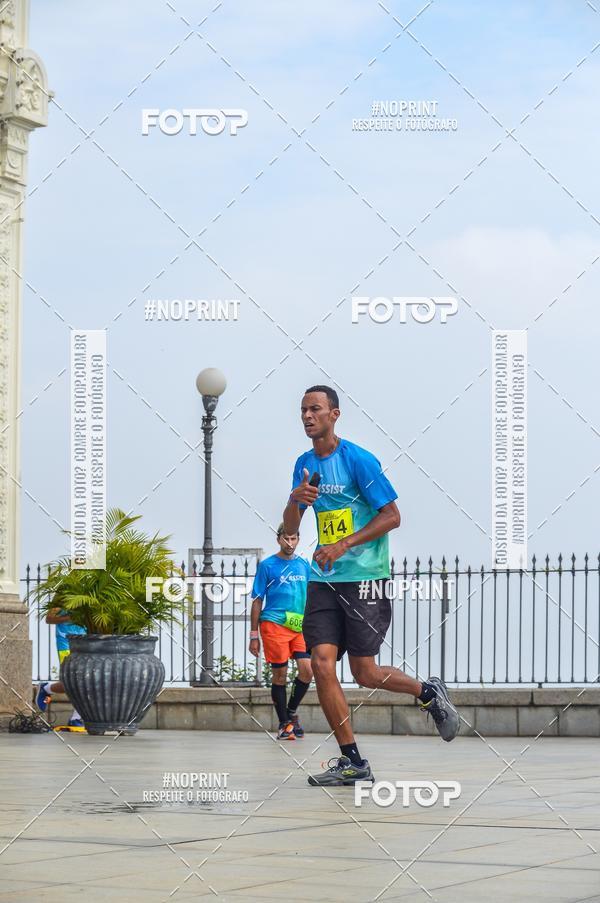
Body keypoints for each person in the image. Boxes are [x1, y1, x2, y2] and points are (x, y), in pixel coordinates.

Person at [283, 385, 459, 786]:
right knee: (321, 664)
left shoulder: (358, 460)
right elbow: (290, 528)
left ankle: (427, 693)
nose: (307, 416)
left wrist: (343, 544)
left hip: (365, 578)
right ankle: (353, 761)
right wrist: (295, 500)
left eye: (315, 409)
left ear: (334, 414)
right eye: (303, 409)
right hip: (323, 579)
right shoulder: (304, 464)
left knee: (364, 672)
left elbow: (392, 516)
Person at [249, 524, 313, 740]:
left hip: (299, 626)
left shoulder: (304, 565)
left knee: (307, 670)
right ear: (278, 539)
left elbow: (312, 595)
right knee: (280, 674)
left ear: (298, 539)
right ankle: (284, 724)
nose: (290, 543)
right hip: (274, 624)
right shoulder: (267, 566)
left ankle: (291, 712)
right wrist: (254, 635)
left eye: (293, 538)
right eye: (286, 538)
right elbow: (257, 600)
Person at [36, 606, 87, 732]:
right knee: (74, 680)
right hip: (66, 644)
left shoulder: (91, 598)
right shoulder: (62, 597)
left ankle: (47, 688)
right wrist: (72, 617)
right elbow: (49, 619)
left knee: (85, 681)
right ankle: (46, 689)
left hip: (86, 642)